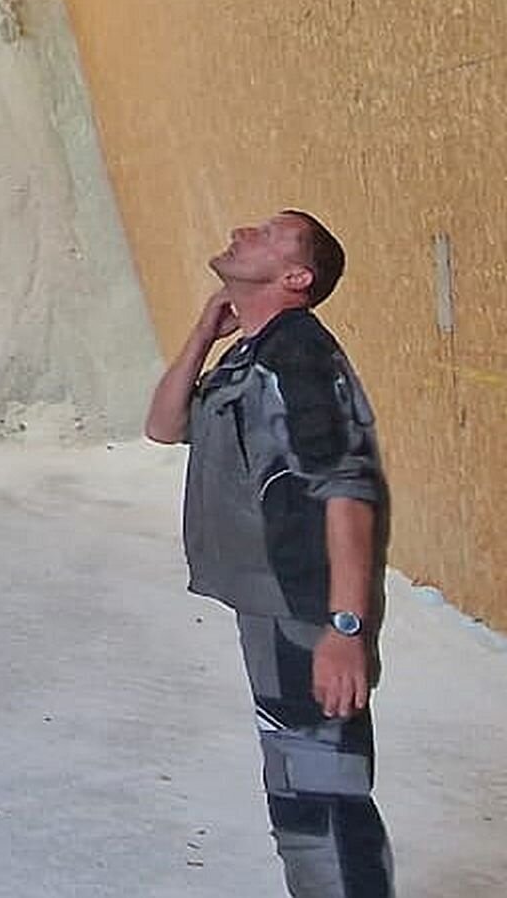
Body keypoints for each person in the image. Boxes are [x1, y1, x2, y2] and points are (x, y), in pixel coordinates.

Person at [145, 209, 393, 898]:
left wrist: (344, 629)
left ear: (296, 277)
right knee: (295, 784)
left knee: (326, 794)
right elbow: (165, 425)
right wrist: (202, 333)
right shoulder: (253, 355)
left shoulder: (300, 359)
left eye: (271, 234)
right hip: (270, 608)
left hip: (308, 612)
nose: (244, 231)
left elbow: (347, 492)